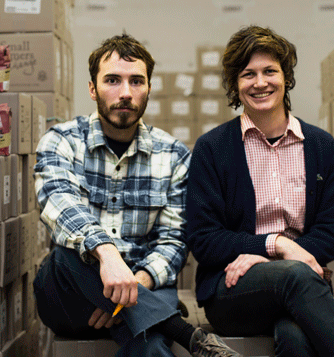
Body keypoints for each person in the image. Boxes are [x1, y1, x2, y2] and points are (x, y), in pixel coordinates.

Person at [33, 33, 242, 357]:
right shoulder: (61, 140)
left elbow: (174, 241)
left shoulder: (174, 156)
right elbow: (59, 201)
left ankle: (155, 322)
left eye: (136, 81)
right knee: (66, 254)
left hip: (147, 288)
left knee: (152, 344)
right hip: (71, 296)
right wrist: (107, 256)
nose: (126, 93)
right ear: (92, 88)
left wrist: (130, 288)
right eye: (113, 80)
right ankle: (187, 335)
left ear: (149, 87)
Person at [186, 25, 334, 356]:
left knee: (295, 337)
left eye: (270, 71)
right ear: (234, 84)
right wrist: (278, 245)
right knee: (295, 276)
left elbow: (331, 230)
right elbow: (204, 239)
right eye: (247, 74)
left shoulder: (322, 146)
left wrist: (266, 255)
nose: (259, 82)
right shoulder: (212, 148)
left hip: (300, 285)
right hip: (232, 290)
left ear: (286, 77)